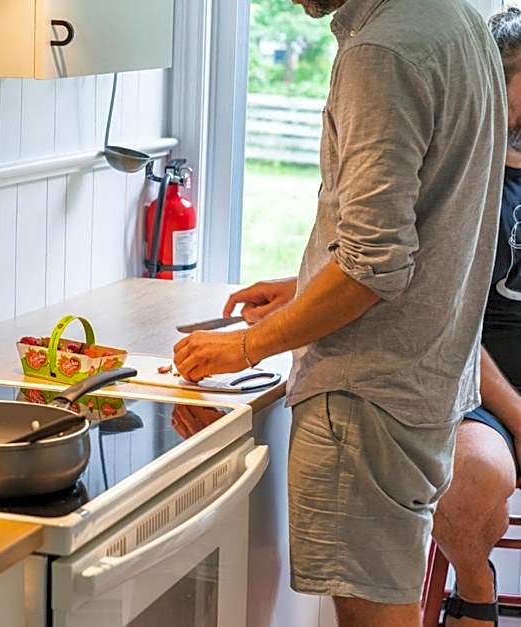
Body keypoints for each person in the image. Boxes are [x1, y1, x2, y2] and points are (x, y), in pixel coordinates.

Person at [172, 0, 507, 625]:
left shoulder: (382, 52)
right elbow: (423, 223)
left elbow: (373, 266)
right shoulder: (453, 18)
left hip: (364, 399)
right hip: (421, 384)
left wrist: (246, 348)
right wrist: (305, 288)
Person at [429, 9, 521, 626]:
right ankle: (475, 589)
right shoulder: (463, 175)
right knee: (469, 482)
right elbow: (449, 317)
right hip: (480, 391)